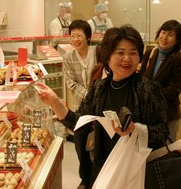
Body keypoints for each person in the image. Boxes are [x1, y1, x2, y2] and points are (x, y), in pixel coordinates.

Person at [36, 25, 169, 188]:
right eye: (120, 53)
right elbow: (79, 123)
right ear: (107, 57)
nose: (127, 58)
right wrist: (54, 102)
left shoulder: (147, 89)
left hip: (135, 174)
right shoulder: (99, 88)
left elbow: (162, 133)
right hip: (102, 169)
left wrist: (135, 129)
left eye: (133, 52)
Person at [139, 20, 181, 141]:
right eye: (163, 32)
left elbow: (174, 90)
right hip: (147, 113)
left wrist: (150, 94)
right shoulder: (151, 52)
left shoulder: (180, 59)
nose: (164, 37)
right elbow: (140, 78)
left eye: (170, 35)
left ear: (177, 40)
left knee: (166, 151)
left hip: (168, 114)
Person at [62, 19, 97, 189]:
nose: (75, 39)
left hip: (100, 107)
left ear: (88, 37)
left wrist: (96, 96)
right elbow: (71, 83)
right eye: (72, 35)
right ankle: (85, 180)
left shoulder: (97, 52)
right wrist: (90, 96)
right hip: (80, 108)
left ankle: (99, 178)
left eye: (79, 35)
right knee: (81, 145)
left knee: (99, 145)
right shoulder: (68, 57)